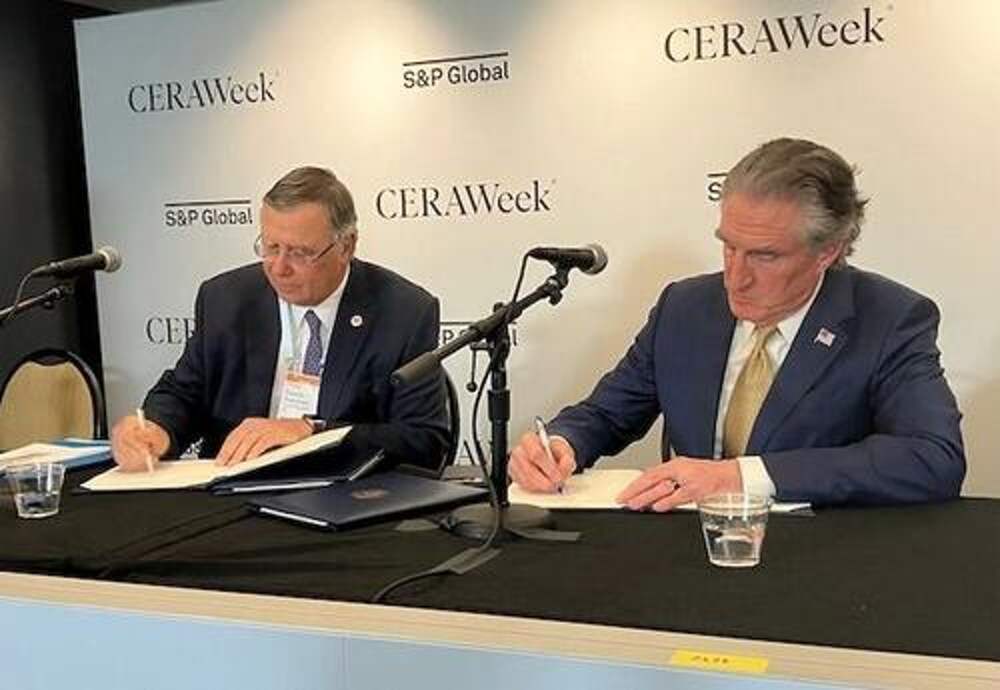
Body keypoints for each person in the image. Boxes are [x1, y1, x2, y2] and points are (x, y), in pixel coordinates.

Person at [509, 138, 965, 508]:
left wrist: (738, 477)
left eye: (765, 256)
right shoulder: (684, 307)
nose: (736, 276)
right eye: (728, 246)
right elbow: (607, 414)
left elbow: (932, 457)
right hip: (684, 556)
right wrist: (562, 443)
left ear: (827, 251)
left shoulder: (889, 319)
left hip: (819, 561)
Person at [111, 166, 448, 472]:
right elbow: (184, 392)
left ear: (346, 246)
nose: (279, 267)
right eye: (271, 247)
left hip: (343, 494)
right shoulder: (226, 298)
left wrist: (313, 431)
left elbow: (424, 440)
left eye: (300, 253)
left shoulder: (403, 312)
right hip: (233, 487)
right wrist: (155, 428)